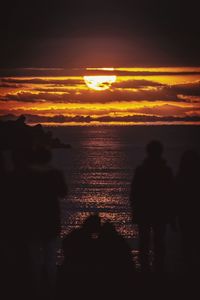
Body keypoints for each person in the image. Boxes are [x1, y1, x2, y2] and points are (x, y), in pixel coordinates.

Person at [11, 146, 67, 300]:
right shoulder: (55, 174)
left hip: (31, 221)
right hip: (50, 220)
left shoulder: (25, 175)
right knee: (50, 257)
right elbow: (63, 192)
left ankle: (35, 288)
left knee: (34, 257)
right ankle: (52, 287)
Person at [129, 140, 174, 272]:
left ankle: (145, 270)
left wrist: (135, 208)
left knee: (144, 242)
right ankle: (158, 269)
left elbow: (134, 192)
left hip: (145, 212)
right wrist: (172, 214)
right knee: (159, 242)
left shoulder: (141, 170)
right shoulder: (166, 171)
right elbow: (171, 193)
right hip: (159, 211)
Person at [176, 149, 200, 272]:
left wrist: (172, 218)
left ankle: (187, 269)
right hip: (192, 215)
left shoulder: (180, 178)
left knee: (186, 242)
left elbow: (175, 198)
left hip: (184, 216)